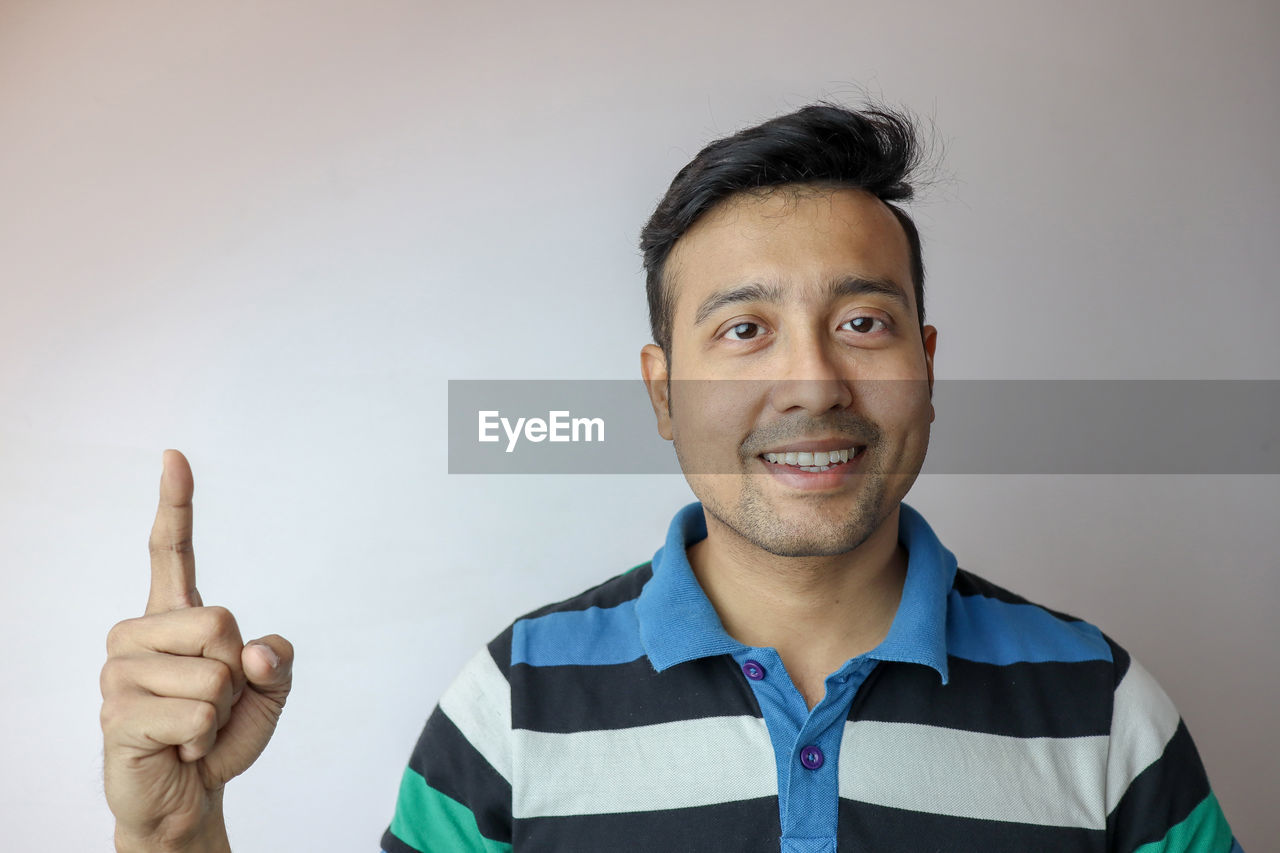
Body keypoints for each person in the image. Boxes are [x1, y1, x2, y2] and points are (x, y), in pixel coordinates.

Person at [100, 102, 1244, 853]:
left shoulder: (1106, 710)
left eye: (861, 320)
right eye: (742, 330)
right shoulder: (512, 706)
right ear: (659, 391)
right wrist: (173, 839)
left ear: (926, 368)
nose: (811, 383)